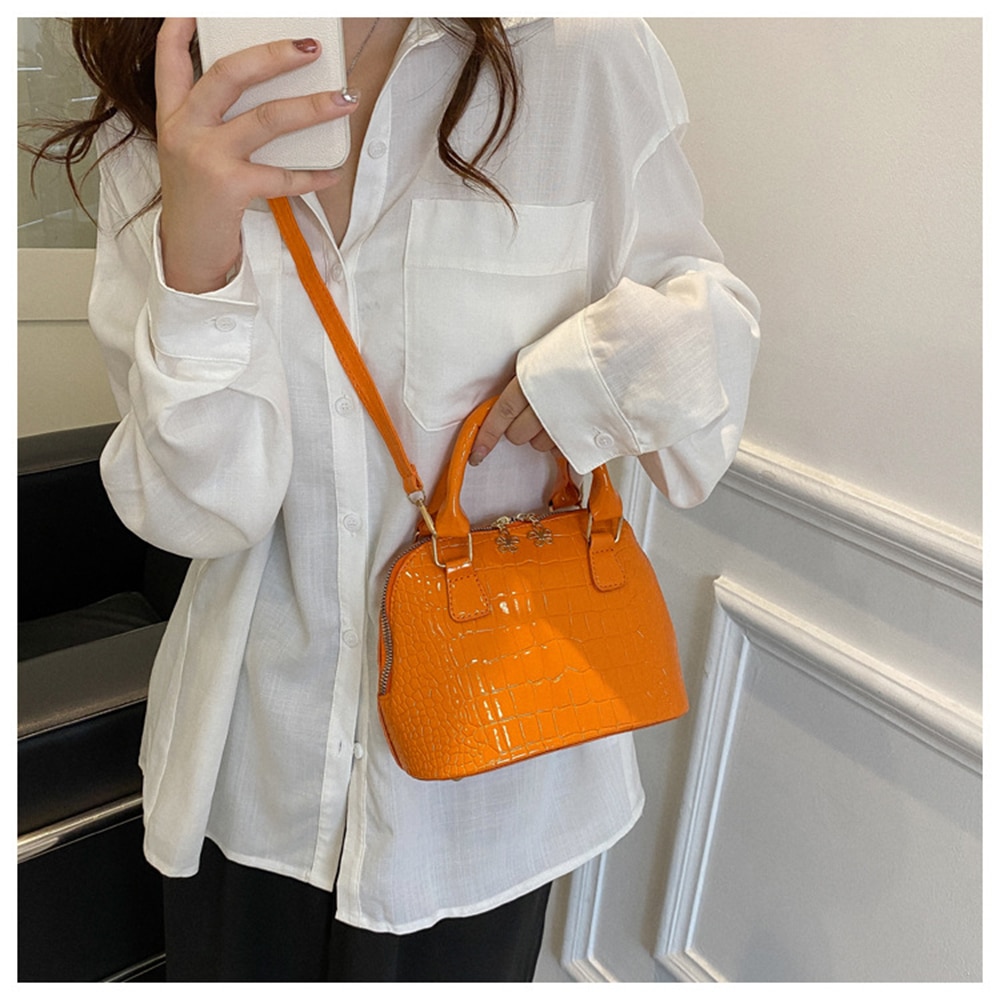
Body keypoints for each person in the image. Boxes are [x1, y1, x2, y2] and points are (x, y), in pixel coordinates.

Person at [35, 17, 760, 981]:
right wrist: (197, 257)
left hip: (490, 780)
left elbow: (708, 326)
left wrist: (590, 382)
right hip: (253, 771)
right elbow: (202, 515)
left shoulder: (575, 53)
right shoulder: (167, 99)